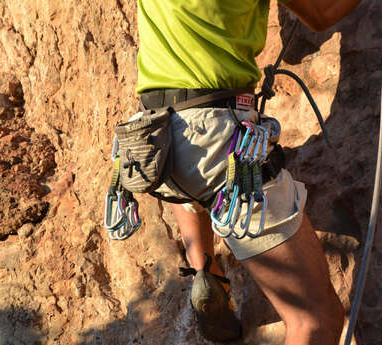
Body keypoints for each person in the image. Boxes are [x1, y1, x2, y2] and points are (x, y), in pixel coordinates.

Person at [134, 0, 360, 344]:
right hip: (214, 133)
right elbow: (321, 13)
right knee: (315, 318)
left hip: (157, 136)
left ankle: (205, 273)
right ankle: (208, 273)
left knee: (198, 179)